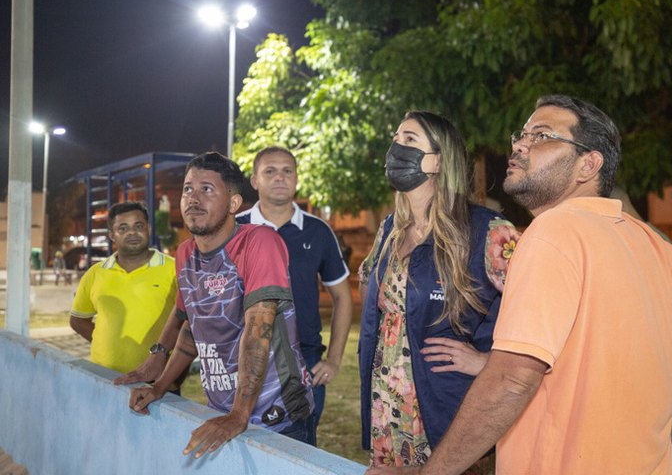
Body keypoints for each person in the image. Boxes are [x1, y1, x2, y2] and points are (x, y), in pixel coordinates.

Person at [367, 95, 672, 475]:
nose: (519, 144)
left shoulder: (552, 232)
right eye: (521, 134)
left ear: (588, 164)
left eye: (542, 135)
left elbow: (511, 379)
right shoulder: (642, 238)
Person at [358, 110, 519, 471]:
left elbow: (541, 312)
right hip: (387, 407)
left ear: (437, 161)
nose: (396, 147)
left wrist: (488, 363)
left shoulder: (487, 231)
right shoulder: (390, 230)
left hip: (444, 410)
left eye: (409, 140)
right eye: (396, 138)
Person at [127, 152, 315, 456]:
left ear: (233, 203)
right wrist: (159, 386)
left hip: (279, 416)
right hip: (223, 412)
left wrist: (239, 416)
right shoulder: (185, 253)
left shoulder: (259, 241)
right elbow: (191, 332)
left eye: (207, 189)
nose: (193, 198)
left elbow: (259, 329)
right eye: (188, 188)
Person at [235, 146, 353, 441]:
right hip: (245, 355)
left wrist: (334, 359)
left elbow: (342, 297)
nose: (280, 178)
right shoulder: (236, 229)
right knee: (242, 442)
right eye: (270, 171)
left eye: (287, 171)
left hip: (304, 359)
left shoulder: (317, 231)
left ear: (297, 178)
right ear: (254, 180)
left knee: (300, 448)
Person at [69, 201, 177, 374]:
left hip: (158, 381)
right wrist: (105, 343)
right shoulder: (95, 273)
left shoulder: (174, 269)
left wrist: (170, 363)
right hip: (104, 378)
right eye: (123, 228)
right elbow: (78, 320)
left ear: (148, 228)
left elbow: (189, 323)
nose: (132, 233)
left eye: (139, 226)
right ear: (112, 235)